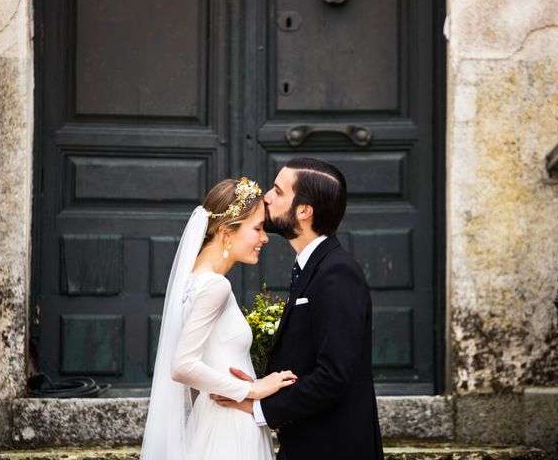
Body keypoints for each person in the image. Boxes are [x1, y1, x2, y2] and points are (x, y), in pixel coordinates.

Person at [216, 158, 384, 459]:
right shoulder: (312, 268)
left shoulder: (337, 273)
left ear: (304, 211)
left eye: (278, 192)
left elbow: (333, 376)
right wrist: (258, 385)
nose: (266, 196)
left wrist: (258, 406)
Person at [140, 177, 297, 460]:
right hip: (228, 426)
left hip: (213, 418)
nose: (264, 238)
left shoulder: (192, 281)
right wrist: (253, 388)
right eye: (258, 229)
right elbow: (183, 366)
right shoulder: (215, 286)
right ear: (226, 232)